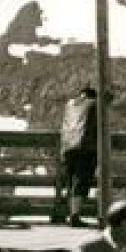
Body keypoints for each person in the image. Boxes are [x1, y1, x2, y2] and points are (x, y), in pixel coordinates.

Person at [55, 86, 99, 227]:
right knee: (81, 181)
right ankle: (74, 216)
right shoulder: (94, 104)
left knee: (71, 181)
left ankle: (70, 213)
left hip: (68, 147)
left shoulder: (70, 104)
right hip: (85, 146)